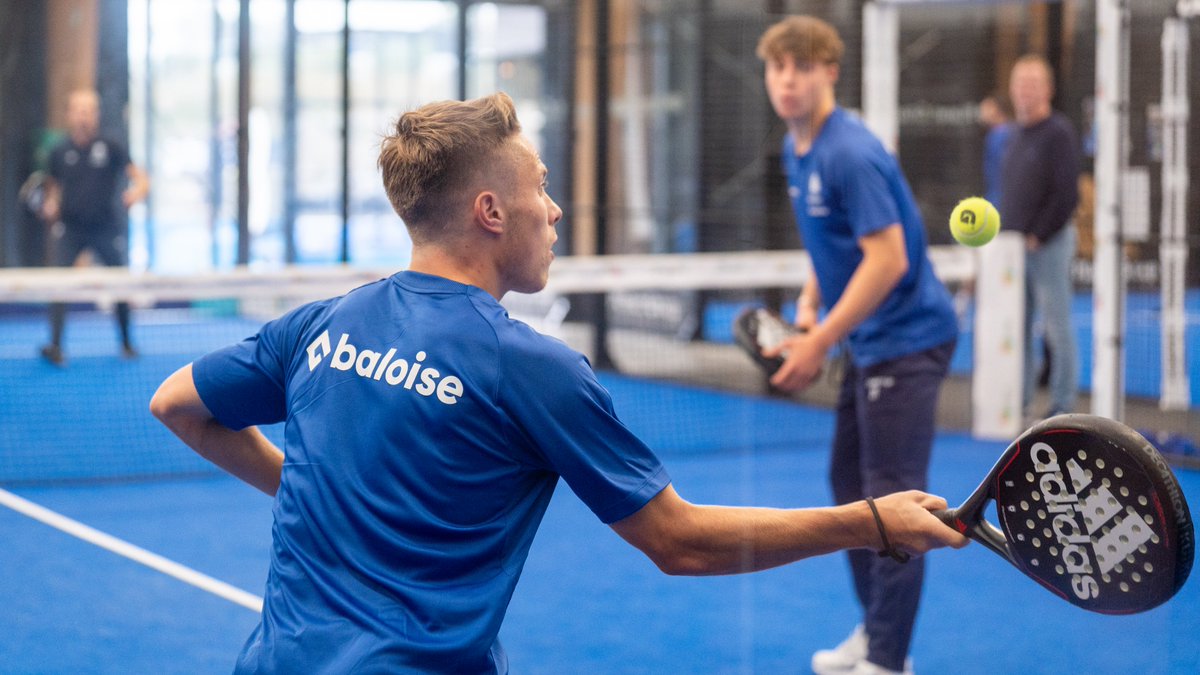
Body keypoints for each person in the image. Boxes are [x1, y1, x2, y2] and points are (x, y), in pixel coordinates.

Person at [149, 93, 967, 673]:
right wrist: (870, 521)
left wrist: (309, 487)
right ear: (491, 212)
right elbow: (679, 539)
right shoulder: (530, 366)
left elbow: (178, 404)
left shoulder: (321, 324)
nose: (555, 210)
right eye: (540, 186)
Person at [756, 17, 960, 675]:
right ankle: (876, 630)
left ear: (829, 73)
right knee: (850, 490)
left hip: (908, 341)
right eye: (778, 67)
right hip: (869, 341)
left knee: (891, 501)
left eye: (802, 66)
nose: (788, 80)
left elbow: (888, 259)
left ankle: (889, 659)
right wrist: (809, 302)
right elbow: (833, 241)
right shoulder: (798, 148)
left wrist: (820, 339)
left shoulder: (850, 152)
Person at [39, 88, 150, 366]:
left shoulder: (111, 146)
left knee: (120, 283)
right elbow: (52, 188)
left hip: (105, 228)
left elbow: (141, 179)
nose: (84, 116)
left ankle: (126, 343)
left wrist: (135, 193)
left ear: (96, 115)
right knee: (58, 285)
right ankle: (55, 346)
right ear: (69, 114)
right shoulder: (58, 151)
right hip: (70, 229)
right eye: (79, 110)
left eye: (89, 110)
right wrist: (50, 204)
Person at [999, 54, 1081, 420]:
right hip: (1014, 250)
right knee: (1017, 328)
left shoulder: (1059, 133)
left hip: (1051, 246)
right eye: (1020, 83)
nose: (1025, 91)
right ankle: (1021, 402)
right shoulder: (1012, 135)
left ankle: (1063, 406)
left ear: (1048, 90)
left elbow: (1067, 195)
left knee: (1057, 328)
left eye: (1033, 84)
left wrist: (1039, 235)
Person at [977, 94, 1014, 207]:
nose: (981, 112)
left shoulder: (999, 136)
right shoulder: (1000, 133)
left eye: (986, 107)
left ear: (995, 109)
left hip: (1000, 201)